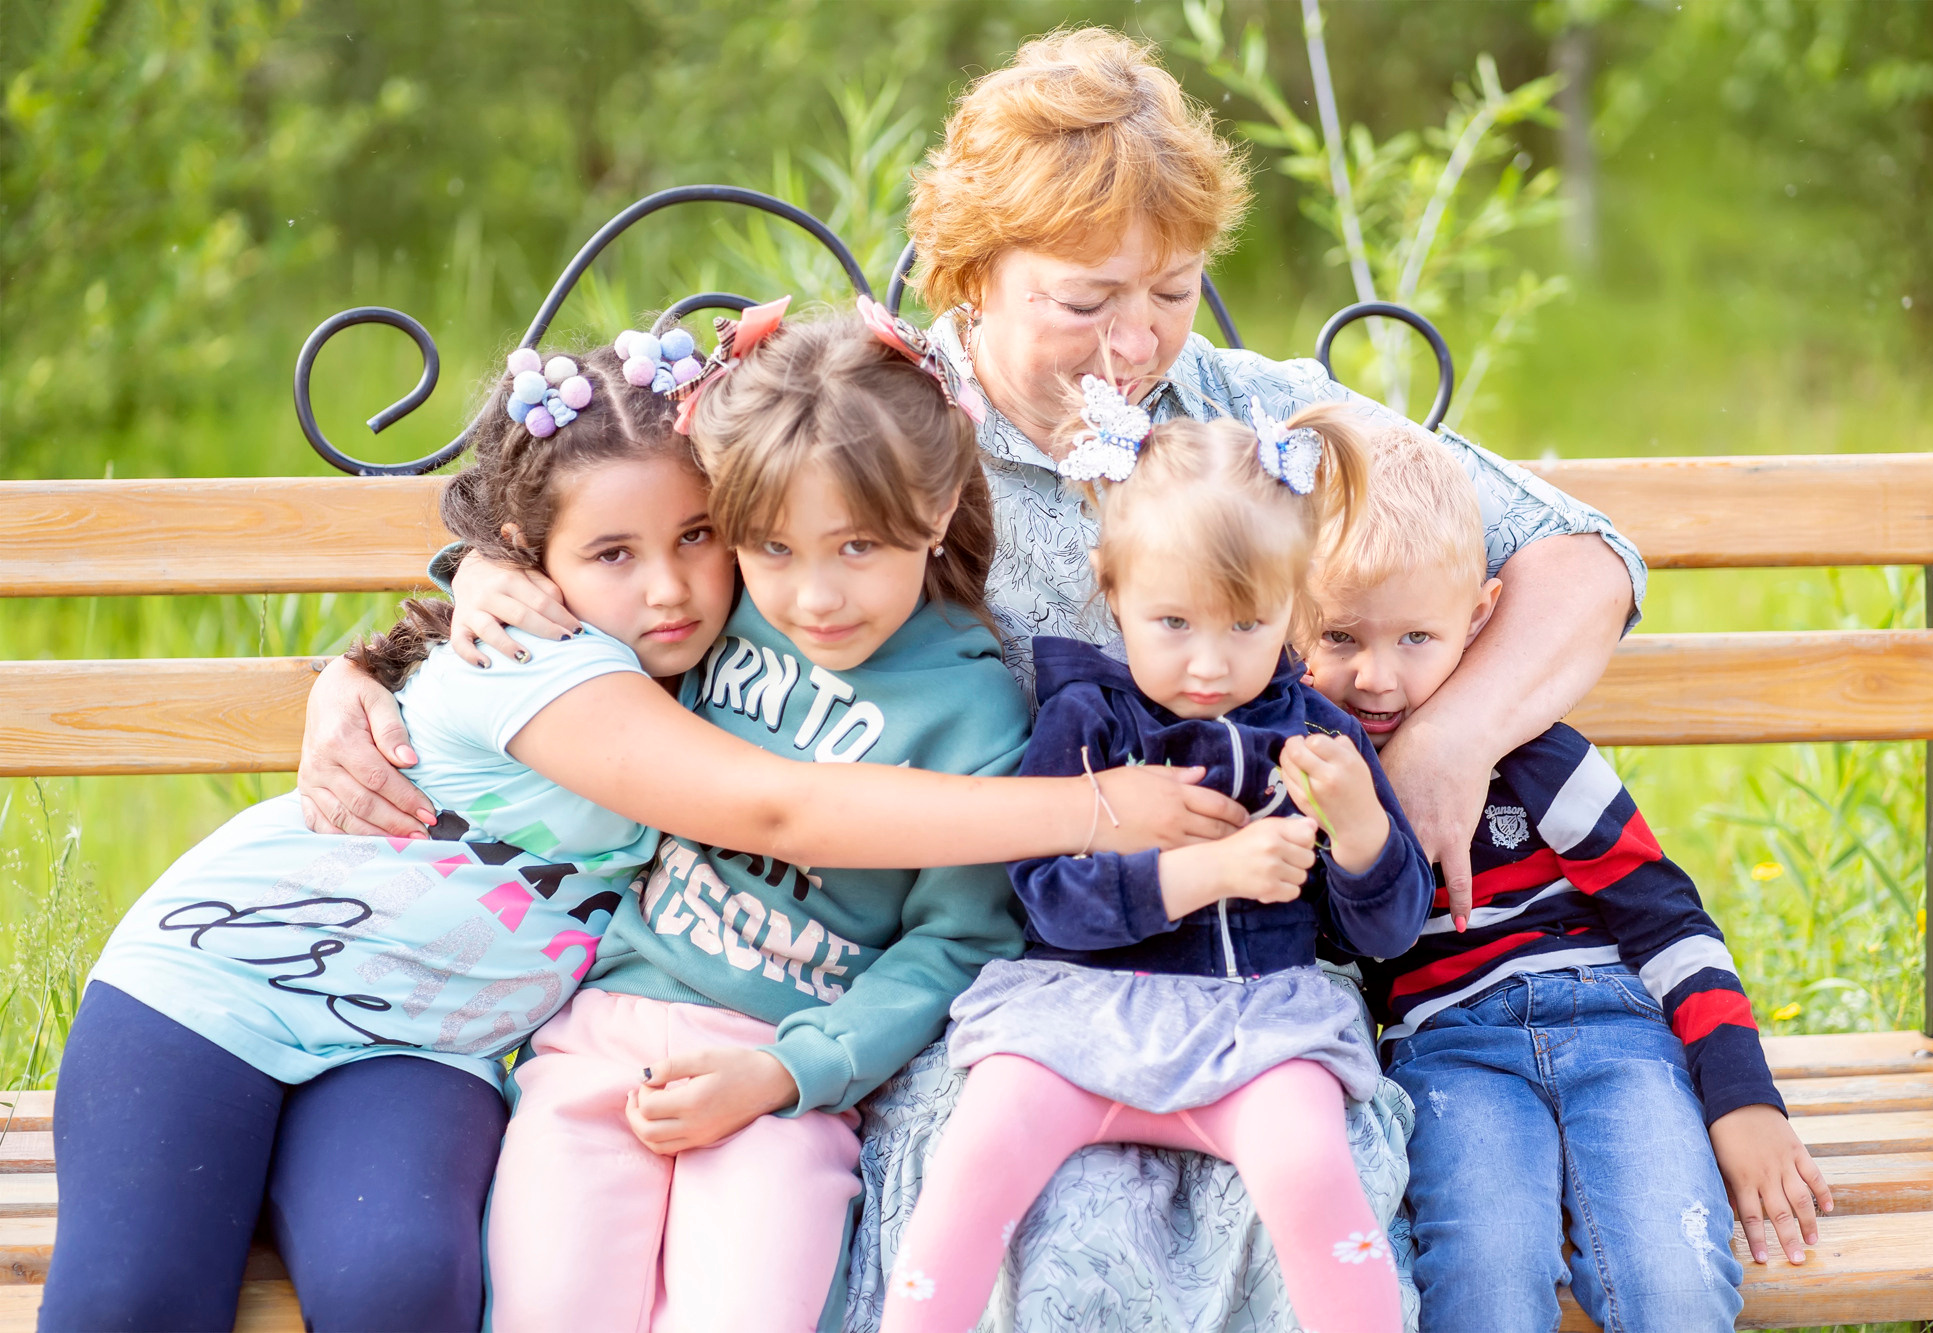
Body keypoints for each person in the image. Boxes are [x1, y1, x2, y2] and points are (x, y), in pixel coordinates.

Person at [295, 26, 1647, 1326]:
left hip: (1243, 965)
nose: (1135, 344)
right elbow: (614, 521)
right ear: (973, 275)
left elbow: (1586, 558)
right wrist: (453, 598)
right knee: (1046, 1207)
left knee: (1274, 1196)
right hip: (956, 970)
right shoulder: (871, 424)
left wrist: (1446, 743)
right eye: (1085, 301)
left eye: (1169, 292)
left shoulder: (1248, 420)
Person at [38, 334, 1239, 1333]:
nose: (670, 587)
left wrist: (475, 563)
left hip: (428, 1042)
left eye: (701, 539)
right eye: (616, 558)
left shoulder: (726, 630)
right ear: (540, 562)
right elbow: (778, 804)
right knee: (134, 1292)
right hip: (224, 976)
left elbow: (695, 451)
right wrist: (1091, 809)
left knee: (403, 1281)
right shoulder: (541, 653)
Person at [486, 304, 1032, 1333]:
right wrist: (475, 572)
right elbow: (576, 561)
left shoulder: (974, 713)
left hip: (786, 1072)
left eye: (858, 546)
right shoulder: (712, 610)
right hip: (602, 1040)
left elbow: (954, 942)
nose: (814, 596)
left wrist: (789, 1070)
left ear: (940, 499)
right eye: (770, 547)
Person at [880, 391, 1429, 1333]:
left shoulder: (1316, 734)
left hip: (1258, 1020)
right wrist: (1205, 874)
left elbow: (1385, 933)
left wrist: (1362, 830)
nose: (1209, 664)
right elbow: (1048, 899)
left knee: (1310, 1166)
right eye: (1172, 623)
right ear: (1113, 589)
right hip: (1079, 1013)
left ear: (1294, 609)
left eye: (1247, 625)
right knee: (977, 1153)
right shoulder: (1090, 720)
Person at [1303, 415, 1831, 1333]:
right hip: (1451, 1056)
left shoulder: (1541, 757)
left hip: (1620, 1035)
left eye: (1417, 638)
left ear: (1478, 617)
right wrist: (1355, 830)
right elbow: (1345, 954)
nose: (1377, 678)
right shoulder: (1312, 782)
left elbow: (1667, 919)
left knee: (1673, 1279)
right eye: (1340, 636)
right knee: (1484, 1281)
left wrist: (1742, 1096)